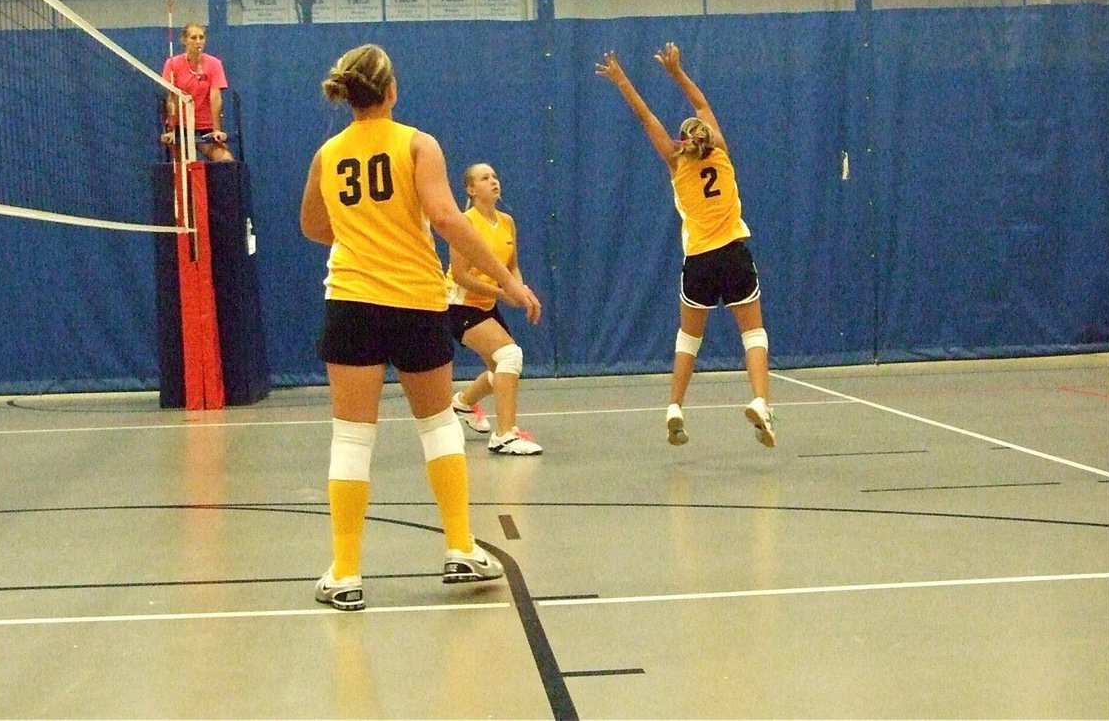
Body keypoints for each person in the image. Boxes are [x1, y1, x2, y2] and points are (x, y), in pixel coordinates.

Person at [300, 43, 541, 611]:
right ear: (391, 92)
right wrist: (507, 282)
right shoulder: (416, 143)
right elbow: (445, 217)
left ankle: (346, 573)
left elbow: (313, 227)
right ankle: (460, 547)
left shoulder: (327, 154)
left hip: (352, 302)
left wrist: (363, 233)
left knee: (352, 437)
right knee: (437, 426)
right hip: (414, 301)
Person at [595, 42, 776, 449]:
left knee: (688, 339)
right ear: (708, 136)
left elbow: (646, 118)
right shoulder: (722, 155)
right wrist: (677, 73)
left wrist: (622, 79)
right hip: (733, 252)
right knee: (753, 333)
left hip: (698, 260)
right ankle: (761, 401)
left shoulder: (677, 163)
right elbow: (700, 103)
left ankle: (675, 406)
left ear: (682, 143)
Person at [446, 163, 543, 456]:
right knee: (510, 356)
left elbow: (511, 266)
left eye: (495, 177)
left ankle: (462, 403)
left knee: (500, 369)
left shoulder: (507, 222)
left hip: (486, 303)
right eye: (484, 178)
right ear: (471, 190)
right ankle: (504, 435)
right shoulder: (464, 223)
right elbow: (462, 275)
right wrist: (503, 293)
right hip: (459, 304)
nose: (493, 181)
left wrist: (522, 291)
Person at [160, 23, 234, 161]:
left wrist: (217, 130)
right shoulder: (172, 64)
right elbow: (171, 98)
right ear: (184, 40)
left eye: (201, 37)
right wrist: (171, 130)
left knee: (226, 160)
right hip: (180, 126)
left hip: (205, 126)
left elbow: (215, 97)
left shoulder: (214, 64)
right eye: (193, 38)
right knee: (185, 165)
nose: (198, 41)